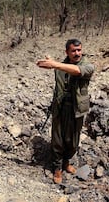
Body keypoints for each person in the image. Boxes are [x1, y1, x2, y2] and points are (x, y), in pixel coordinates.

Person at [36, 39, 94, 184]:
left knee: (73, 140)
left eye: (79, 50)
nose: (77, 53)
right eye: (73, 51)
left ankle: (66, 162)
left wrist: (54, 64)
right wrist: (52, 64)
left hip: (77, 109)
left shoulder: (87, 65)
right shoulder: (60, 66)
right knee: (57, 139)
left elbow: (77, 71)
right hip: (60, 107)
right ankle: (57, 168)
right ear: (67, 52)